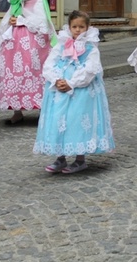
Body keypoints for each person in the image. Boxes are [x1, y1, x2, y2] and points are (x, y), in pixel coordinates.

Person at [34, 10, 115, 173]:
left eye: (81, 27)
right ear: (69, 27)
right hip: (59, 90)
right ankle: (60, 157)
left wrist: (72, 82)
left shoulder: (91, 47)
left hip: (81, 91)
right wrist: (56, 80)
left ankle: (80, 159)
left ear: (87, 27)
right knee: (58, 121)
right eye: (74, 27)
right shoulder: (61, 44)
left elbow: (90, 70)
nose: (78, 30)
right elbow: (49, 63)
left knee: (76, 121)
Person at [0, 0, 57, 124]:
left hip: (33, 43)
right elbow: (12, 14)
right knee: (13, 73)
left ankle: (42, 108)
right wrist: (11, 22)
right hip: (15, 42)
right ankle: (16, 110)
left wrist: (19, 20)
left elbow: (40, 21)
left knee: (34, 72)